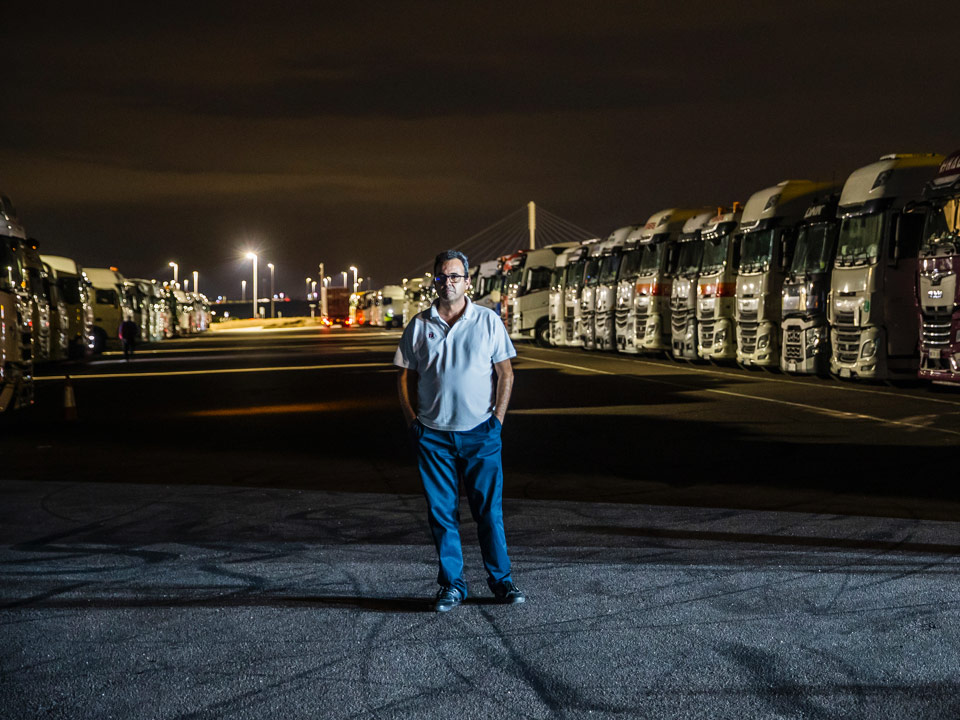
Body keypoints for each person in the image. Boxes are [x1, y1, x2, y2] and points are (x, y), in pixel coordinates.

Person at [395, 250, 525, 612]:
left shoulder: (487, 321)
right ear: (433, 281)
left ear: (468, 281)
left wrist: (497, 421)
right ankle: (452, 585)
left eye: (455, 276)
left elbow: (506, 373)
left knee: (488, 512)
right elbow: (403, 375)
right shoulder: (419, 325)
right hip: (433, 436)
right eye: (442, 276)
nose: (448, 282)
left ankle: (502, 582)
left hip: (481, 434)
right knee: (441, 513)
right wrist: (412, 421)